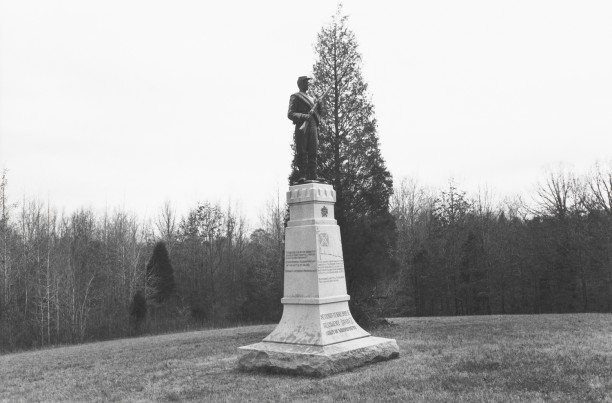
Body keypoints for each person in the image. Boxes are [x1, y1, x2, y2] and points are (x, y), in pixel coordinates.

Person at [288, 76, 323, 183]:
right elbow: (290, 114)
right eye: (306, 82)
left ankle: (313, 174)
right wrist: (303, 116)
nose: (308, 84)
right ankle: (302, 175)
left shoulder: (312, 99)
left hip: (313, 125)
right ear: (301, 84)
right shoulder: (295, 97)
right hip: (302, 125)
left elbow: (318, 114)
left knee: (313, 151)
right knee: (302, 151)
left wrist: (320, 105)